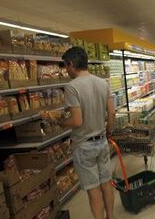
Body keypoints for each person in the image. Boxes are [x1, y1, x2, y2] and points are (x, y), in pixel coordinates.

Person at [60, 47, 115, 219]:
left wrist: (59, 121)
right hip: (102, 142)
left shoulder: (71, 87)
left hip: (84, 146)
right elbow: (111, 113)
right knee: (106, 183)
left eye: (65, 66)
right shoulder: (102, 83)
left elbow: (77, 121)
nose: (66, 70)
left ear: (71, 64)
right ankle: (111, 217)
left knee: (93, 191)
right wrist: (108, 131)